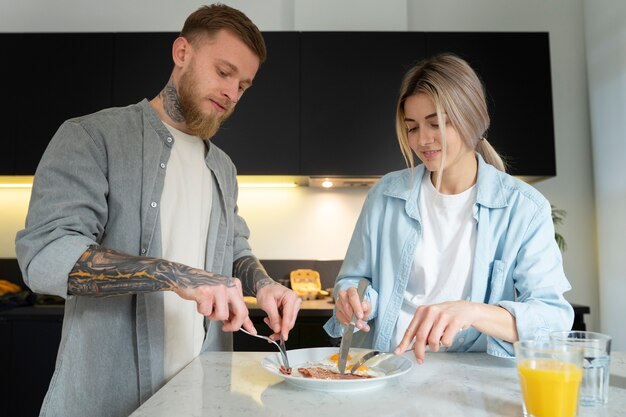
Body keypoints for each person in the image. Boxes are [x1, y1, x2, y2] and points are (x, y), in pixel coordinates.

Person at [15, 4, 301, 417]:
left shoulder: (223, 167)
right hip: (108, 400)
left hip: (202, 395)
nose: (232, 93)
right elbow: (46, 256)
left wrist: (265, 284)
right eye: (223, 72)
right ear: (182, 52)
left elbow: (234, 250)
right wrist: (176, 274)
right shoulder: (92, 137)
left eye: (244, 85)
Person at [324, 53, 574, 364]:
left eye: (436, 123)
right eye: (412, 127)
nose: (423, 140)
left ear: (472, 119)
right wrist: (356, 301)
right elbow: (354, 280)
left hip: (475, 376)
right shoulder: (385, 195)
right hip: (388, 366)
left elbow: (553, 318)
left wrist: (473, 312)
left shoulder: (524, 208)